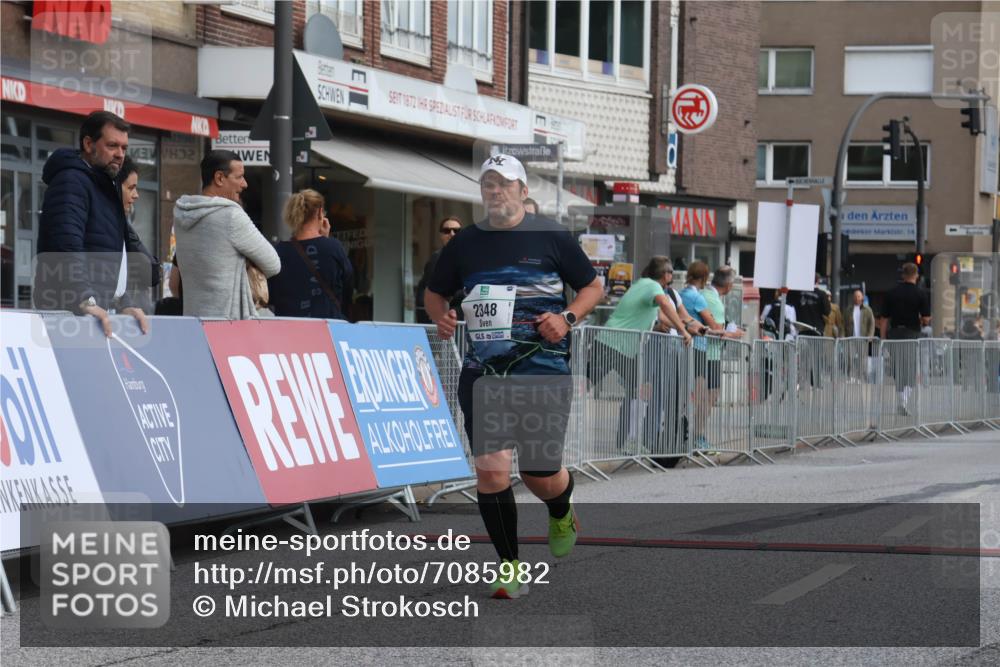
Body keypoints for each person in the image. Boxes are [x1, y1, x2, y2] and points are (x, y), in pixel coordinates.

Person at [425, 154, 603, 599]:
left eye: (504, 184)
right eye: (488, 184)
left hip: (541, 368)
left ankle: (561, 508)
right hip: (484, 371)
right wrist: (441, 318)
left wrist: (567, 317)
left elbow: (592, 286)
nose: (495, 191)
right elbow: (434, 292)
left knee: (540, 472)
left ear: (523, 191)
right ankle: (510, 568)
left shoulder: (551, 237)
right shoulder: (464, 243)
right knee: (491, 472)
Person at [34, 110, 149, 336]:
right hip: (71, 317)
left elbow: (108, 254)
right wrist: (83, 298)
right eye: (112, 146)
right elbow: (66, 245)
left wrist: (123, 301)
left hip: (93, 314)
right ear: (88, 144)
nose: (120, 154)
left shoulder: (103, 186)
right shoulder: (71, 181)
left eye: (124, 148)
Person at [591, 256, 696, 447]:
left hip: (623, 348)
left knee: (639, 388)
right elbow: (664, 305)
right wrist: (682, 331)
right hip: (611, 344)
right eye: (671, 272)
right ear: (665, 274)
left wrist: (658, 327)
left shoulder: (643, 284)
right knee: (582, 385)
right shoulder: (653, 287)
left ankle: (628, 442)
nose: (672, 275)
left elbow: (646, 314)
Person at [173, 150, 280, 319]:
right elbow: (273, 264)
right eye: (239, 177)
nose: (244, 184)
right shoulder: (231, 216)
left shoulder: (181, 214)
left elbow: (175, 279)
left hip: (194, 320)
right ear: (219, 178)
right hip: (228, 325)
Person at [680, 262, 743, 450]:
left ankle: (694, 435)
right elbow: (715, 329)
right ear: (729, 285)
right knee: (706, 398)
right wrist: (734, 334)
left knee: (704, 398)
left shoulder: (703, 295)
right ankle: (697, 436)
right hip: (708, 353)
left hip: (703, 351)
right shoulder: (709, 299)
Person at [268, 189, 353, 320]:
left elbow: (271, 295)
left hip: (288, 330)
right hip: (327, 330)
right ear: (320, 212)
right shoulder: (333, 248)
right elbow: (347, 286)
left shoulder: (279, 251)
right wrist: (325, 239)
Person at [881, 262, 931, 415]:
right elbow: (926, 319)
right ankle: (903, 400)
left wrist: (883, 337)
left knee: (898, 368)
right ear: (916, 275)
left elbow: (884, 319)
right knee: (910, 368)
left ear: (902, 275)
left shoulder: (891, 293)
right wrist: (924, 320)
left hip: (895, 333)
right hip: (911, 334)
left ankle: (900, 399)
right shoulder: (921, 294)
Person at [414, 216, 463, 324]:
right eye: (447, 231)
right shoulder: (438, 258)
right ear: (441, 235)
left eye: (456, 231)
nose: (452, 234)